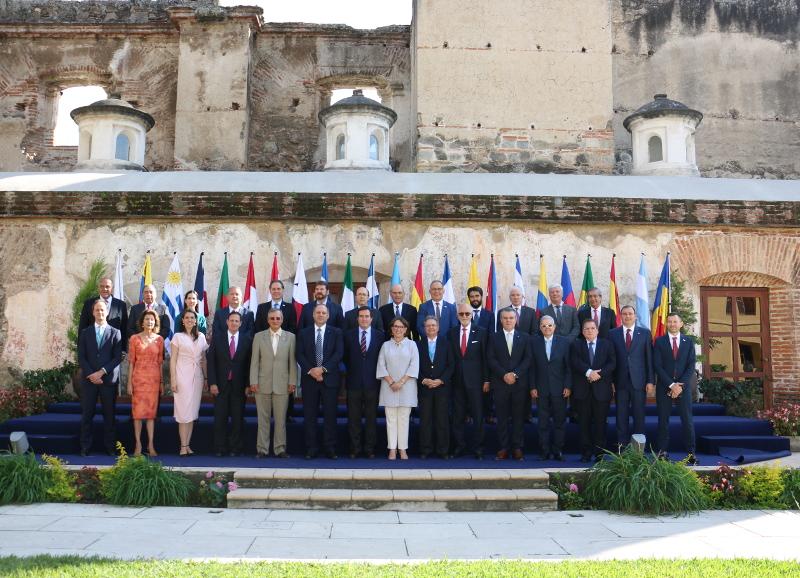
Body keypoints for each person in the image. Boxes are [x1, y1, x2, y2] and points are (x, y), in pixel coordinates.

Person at [296, 304, 344, 459]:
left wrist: (322, 369)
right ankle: (311, 448)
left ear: (328, 316)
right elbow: (299, 354)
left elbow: (338, 354)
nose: (321, 315)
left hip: (329, 380)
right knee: (310, 415)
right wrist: (312, 371)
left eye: (324, 313)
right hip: (309, 380)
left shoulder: (336, 332)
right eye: (318, 312)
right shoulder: (303, 333)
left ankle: (330, 447)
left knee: (330, 415)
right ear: (313, 315)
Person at [77, 299, 123, 456]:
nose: (100, 313)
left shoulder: (116, 332)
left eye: (103, 310)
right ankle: (85, 447)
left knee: (109, 416)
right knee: (87, 414)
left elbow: (117, 358)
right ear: (93, 312)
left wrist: (102, 372)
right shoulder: (85, 333)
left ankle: (110, 447)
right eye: (97, 310)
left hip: (107, 380)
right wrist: (92, 374)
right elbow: (81, 357)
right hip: (89, 381)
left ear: (107, 312)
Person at [249, 308, 297, 459]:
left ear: (282, 320)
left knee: (281, 419)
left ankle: (280, 448)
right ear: (268, 320)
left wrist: (292, 381)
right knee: (262, 419)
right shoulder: (258, 337)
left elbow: (292, 362)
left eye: (278, 318)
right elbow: (255, 361)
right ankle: (262, 449)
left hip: (283, 384)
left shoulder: (290, 337)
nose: (275, 321)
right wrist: (253, 381)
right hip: (262, 383)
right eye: (272, 318)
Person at [487, 307, 532, 461]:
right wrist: (503, 374)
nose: (508, 320)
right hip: (500, 384)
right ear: (500, 320)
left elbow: (528, 359)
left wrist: (515, 374)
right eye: (505, 318)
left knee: (519, 417)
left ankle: (517, 448)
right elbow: (491, 358)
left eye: (511, 318)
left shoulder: (525, 337)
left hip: (519, 385)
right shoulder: (494, 337)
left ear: (516, 320)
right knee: (502, 417)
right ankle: (503, 448)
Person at [207, 311, 253, 457]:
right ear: (227, 322)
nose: (234, 323)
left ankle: (235, 448)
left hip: (239, 386)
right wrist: (212, 383)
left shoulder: (247, 339)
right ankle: (219, 448)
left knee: (238, 418)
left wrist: (248, 384)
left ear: (240, 323)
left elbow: (249, 364)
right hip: (220, 385)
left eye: (237, 321)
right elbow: (211, 362)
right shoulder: (218, 338)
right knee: (220, 418)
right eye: (231, 320)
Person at [654, 313, 697, 465]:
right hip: (664, 387)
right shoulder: (659, 342)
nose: (672, 324)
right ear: (666, 324)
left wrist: (680, 385)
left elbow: (691, 365)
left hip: (683, 388)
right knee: (663, 421)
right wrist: (671, 385)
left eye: (675, 321)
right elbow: (657, 366)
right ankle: (662, 452)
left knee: (687, 420)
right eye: (670, 321)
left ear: (681, 324)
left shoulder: (688, 342)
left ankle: (691, 453)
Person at [570, 318, 616, 462]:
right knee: (583, 423)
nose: (589, 331)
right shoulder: (576, 345)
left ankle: (599, 453)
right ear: (582, 332)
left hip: (601, 391)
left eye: (592, 328)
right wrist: (589, 372)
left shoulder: (607, 344)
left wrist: (599, 374)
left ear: (597, 330)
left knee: (600, 423)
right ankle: (585, 452)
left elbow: (612, 363)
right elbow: (575, 361)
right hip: (582, 391)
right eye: (586, 329)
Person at [609, 305, 654, 448]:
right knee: (621, 416)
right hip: (620, 382)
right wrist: (610, 381)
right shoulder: (612, 334)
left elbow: (649, 359)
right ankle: (621, 448)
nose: (627, 316)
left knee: (639, 416)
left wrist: (650, 381)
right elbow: (610, 359)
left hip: (639, 382)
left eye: (630, 314)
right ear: (620, 316)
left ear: (635, 316)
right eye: (624, 314)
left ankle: (638, 449)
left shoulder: (645, 333)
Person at [449, 303, 490, 459]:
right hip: (457, 382)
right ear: (457, 315)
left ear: (472, 315)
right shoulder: (451, 333)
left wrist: (486, 380)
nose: (464, 316)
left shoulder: (481, 332)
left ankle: (478, 448)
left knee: (478, 417)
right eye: (461, 314)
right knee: (457, 416)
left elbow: (485, 358)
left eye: (467, 313)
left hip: (477, 382)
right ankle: (459, 446)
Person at [343, 306, 385, 459]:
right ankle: (354, 448)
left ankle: (369, 449)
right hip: (353, 383)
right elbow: (345, 357)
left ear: (371, 319)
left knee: (371, 419)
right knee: (353, 419)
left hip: (373, 384)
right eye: (361, 316)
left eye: (367, 316)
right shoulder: (348, 335)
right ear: (357, 318)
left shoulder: (380, 336)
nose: (364, 319)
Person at [376, 316, 419, 460]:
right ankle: (392, 449)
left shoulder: (412, 345)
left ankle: (403, 449)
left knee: (404, 419)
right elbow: (381, 366)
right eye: (395, 327)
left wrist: (400, 382)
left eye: (401, 327)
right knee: (391, 419)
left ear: (406, 329)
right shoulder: (385, 345)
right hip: (389, 387)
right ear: (391, 329)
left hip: (407, 387)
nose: (398, 329)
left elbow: (414, 365)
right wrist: (391, 382)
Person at [530, 315, 572, 461]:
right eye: (544, 326)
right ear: (540, 328)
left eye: (549, 325)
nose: (547, 328)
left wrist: (568, 385)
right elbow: (532, 367)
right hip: (541, 389)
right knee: (543, 422)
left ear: (554, 327)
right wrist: (533, 386)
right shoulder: (534, 342)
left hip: (560, 389)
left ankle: (558, 450)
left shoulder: (564, 342)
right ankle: (544, 450)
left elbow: (568, 367)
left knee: (559, 422)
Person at [170, 308, 208, 456]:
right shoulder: (177, 337)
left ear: (196, 320)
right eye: (187, 318)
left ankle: (188, 445)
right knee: (183, 412)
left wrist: (206, 378)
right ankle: (182, 446)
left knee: (192, 412)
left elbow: (204, 359)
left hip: (197, 376)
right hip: (182, 376)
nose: (190, 320)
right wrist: (173, 380)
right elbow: (172, 360)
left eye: (193, 318)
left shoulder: (202, 337)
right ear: (183, 320)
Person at [127, 309, 165, 456]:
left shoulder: (159, 340)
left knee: (151, 414)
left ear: (155, 322)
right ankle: (138, 444)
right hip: (138, 379)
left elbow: (160, 362)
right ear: (142, 322)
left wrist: (162, 382)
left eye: (152, 319)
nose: (150, 321)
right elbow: (131, 362)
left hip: (154, 380)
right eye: (147, 319)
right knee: (137, 414)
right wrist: (129, 383)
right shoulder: (134, 339)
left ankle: (151, 445)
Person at [416, 316, 454, 459]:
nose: (431, 328)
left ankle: (443, 450)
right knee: (425, 420)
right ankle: (425, 449)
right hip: (425, 388)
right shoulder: (418, 345)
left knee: (442, 420)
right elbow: (414, 366)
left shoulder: (447, 344)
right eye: (428, 326)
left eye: (433, 325)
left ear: (438, 328)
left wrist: (441, 380)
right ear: (424, 328)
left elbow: (451, 365)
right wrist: (423, 380)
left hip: (441, 388)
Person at [78, 277, 128, 351]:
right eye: (102, 286)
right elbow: (83, 327)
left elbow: (124, 329)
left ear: (112, 288)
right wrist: (81, 349)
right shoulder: (89, 304)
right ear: (98, 288)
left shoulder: (121, 305)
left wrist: (123, 350)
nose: (104, 289)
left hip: (114, 350)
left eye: (107, 286)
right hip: (92, 349)